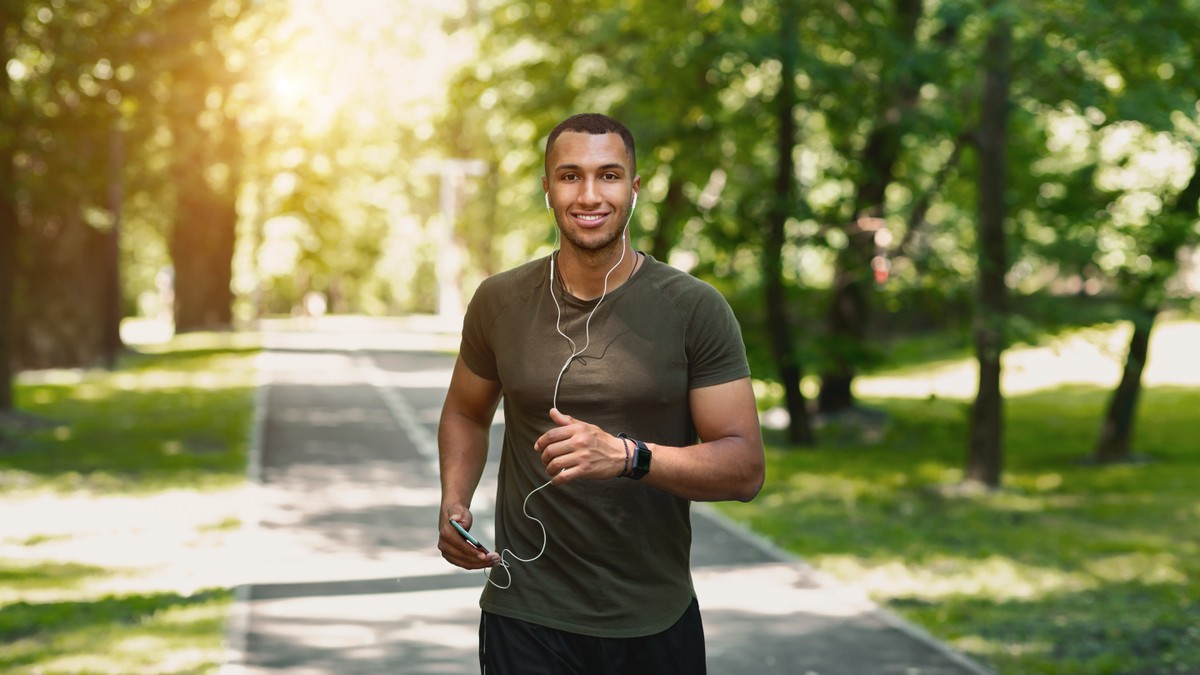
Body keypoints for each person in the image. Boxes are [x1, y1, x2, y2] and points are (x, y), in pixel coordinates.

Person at [437, 112, 765, 674]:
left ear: (633, 188)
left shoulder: (693, 309)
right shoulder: (499, 301)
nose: (589, 194)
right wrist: (453, 499)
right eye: (570, 176)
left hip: (652, 618)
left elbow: (744, 469)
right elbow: (466, 413)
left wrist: (627, 457)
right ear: (547, 189)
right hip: (526, 613)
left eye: (608, 175)